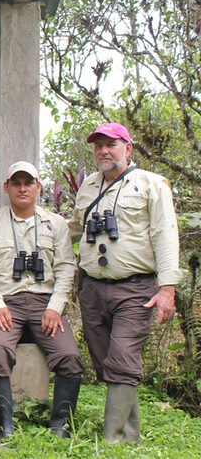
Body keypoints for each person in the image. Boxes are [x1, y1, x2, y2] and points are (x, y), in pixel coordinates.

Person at [68, 122, 182, 443]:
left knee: (122, 355)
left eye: (111, 145)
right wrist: (36, 228)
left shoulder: (151, 184)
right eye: (98, 145)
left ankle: (113, 439)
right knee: (105, 358)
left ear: (128, 148)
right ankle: (131, 434)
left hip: (135, 288)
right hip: (92, 287)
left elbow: (165, 235)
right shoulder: (88, 186)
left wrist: (167, 288)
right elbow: (74, 228)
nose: (103, 151)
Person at [0, 161, 83, 439]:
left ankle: (60, 424)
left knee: (69, 356)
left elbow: (65, 269)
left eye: (28, 183)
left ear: (38, 187)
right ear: (6, 187)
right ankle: (5, 423)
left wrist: (55, 308)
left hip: (44, 303)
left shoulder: (55, 224)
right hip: (6, 302)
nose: (22, 188)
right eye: (16, 183)